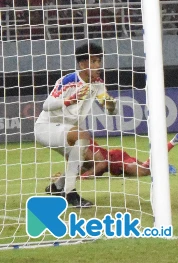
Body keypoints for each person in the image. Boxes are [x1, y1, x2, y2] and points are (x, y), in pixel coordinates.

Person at [35, 43, 117, 207]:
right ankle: (70, 193)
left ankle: (56, 186)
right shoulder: (69, 81)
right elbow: (46, 105)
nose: (98, 65)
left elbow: (109, 110)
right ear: (82, 64)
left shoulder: (98, 84)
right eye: (93, 61)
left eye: (99, 61)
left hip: (66, 131)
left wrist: (111, 106)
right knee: (83, 136)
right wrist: (70, 100)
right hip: (46, 127)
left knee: (90, 162)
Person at [79, 133, 178, 178]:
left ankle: (162, 167)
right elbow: (91, 168)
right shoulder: (78, 148)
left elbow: (101, 164)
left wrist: (84, 175)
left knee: (143, 171)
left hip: (116, 159)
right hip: (114, 164)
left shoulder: (84, 143)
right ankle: (174, 141)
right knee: (146, 166)